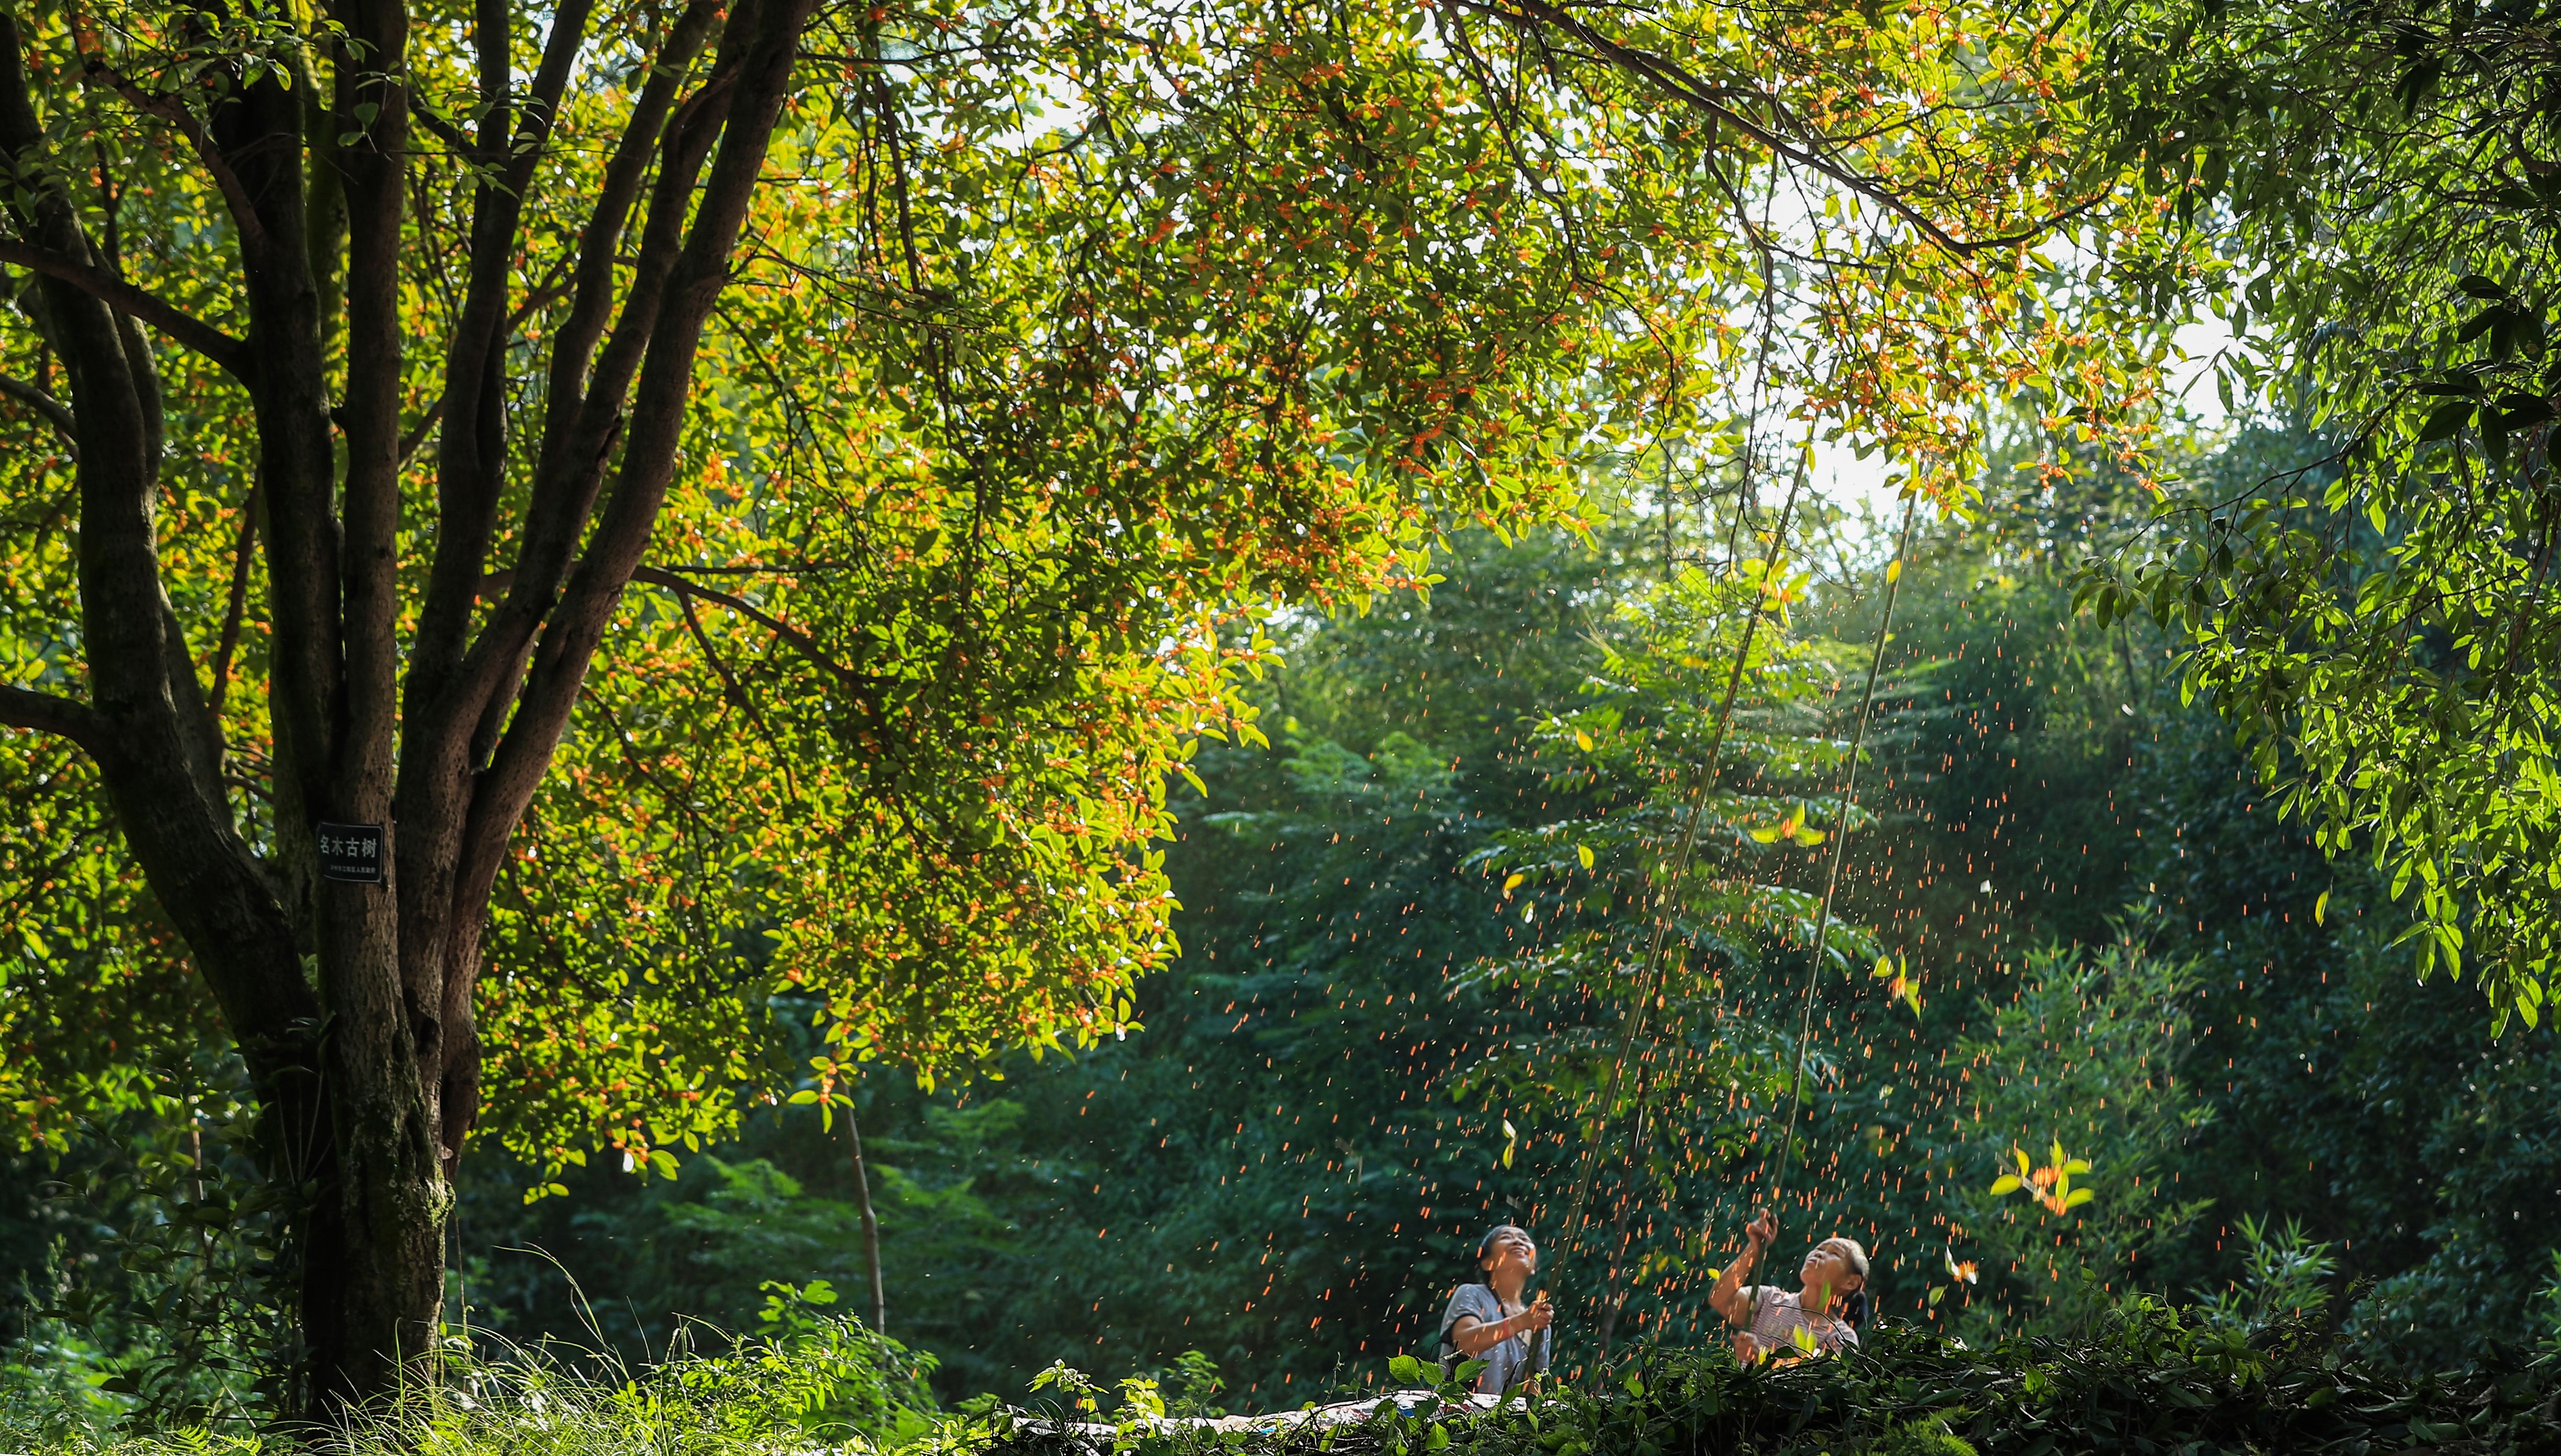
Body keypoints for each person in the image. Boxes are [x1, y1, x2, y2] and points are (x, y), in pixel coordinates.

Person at [1707, 1209, 1868, 1364]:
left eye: (1835, 1254)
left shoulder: (1840, 1336)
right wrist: (1754, 1249)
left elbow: (1822, 1386)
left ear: (1851, 1282)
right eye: (1819, 1249)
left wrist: (1761, 1359)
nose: (1818, 1254)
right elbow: (1721, 1299)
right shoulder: (1770, 1299)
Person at [1434, 1224, 1555, 1398]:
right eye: (1506, 1237)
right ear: (1487, 1262)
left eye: (1525, 1239)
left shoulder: (1539, 1320)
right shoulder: (1472, 1294)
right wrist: (1522, 1322)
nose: (1518, 1241)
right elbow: (1464, 1344)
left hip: (1503, 1424)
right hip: (1457, 1417)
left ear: (1534, 1266)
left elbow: (1534, 1388)